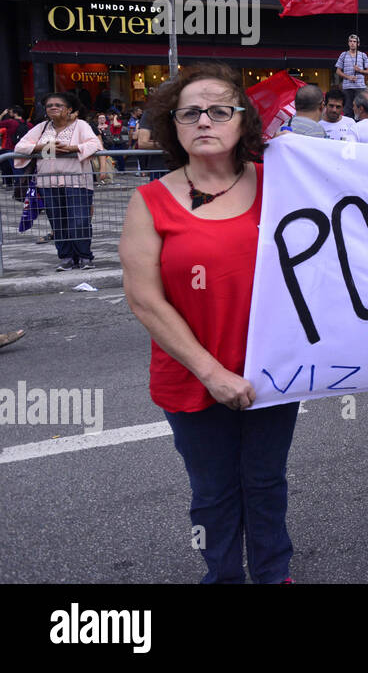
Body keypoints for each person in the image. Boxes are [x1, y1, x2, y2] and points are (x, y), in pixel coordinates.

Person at [119, 62, 299, 583]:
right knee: (214, 491)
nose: (205, 120)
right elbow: (145, 299)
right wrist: (210, 371)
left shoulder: (282, 183)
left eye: (220, 110)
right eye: (190, 112)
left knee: (265, 482)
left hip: (272, 371)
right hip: (191, 377)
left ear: (243, 122)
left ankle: (273, 575)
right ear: (172, 125)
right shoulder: (148, 201)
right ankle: (223, 577)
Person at [13, 93, 102, 271]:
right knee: (58, 221)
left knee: (79, 220)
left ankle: (84, 257)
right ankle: (66, 258)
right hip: (47, 183)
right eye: (49, 105)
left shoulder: (81, 125)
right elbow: (20, 147)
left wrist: (73, 148)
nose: (53, 108)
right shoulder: (42, 127)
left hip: (77, 182)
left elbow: (95, 145)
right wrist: (44, 148)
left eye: (58, 105)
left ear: (69, 109)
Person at [334, 34, 368, 118]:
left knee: (360, 107)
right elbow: (338, 71)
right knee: (347, 109)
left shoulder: (363, 55)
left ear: (358, 44)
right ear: (348, 43)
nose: (352, 43)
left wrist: (359, 70)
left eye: (354, 42)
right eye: (350, 41)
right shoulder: (343, 55)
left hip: (360, 86)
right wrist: (348, 77)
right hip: (347, 86)